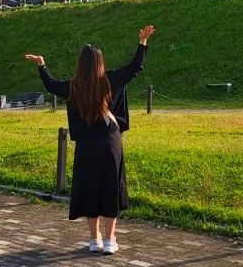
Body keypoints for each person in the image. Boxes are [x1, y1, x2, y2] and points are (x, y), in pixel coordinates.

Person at [25, 24, 154, 255]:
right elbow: (135, 67)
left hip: (86, 145)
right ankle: (110, 240)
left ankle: (94, 240)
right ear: (100, 63)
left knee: (90, 187)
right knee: (110, 187)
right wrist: (142, 42)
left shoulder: (73, 87)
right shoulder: (110, 80)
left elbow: (51, 85)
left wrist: (41, 64)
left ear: (80, 64)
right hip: (109, 142)